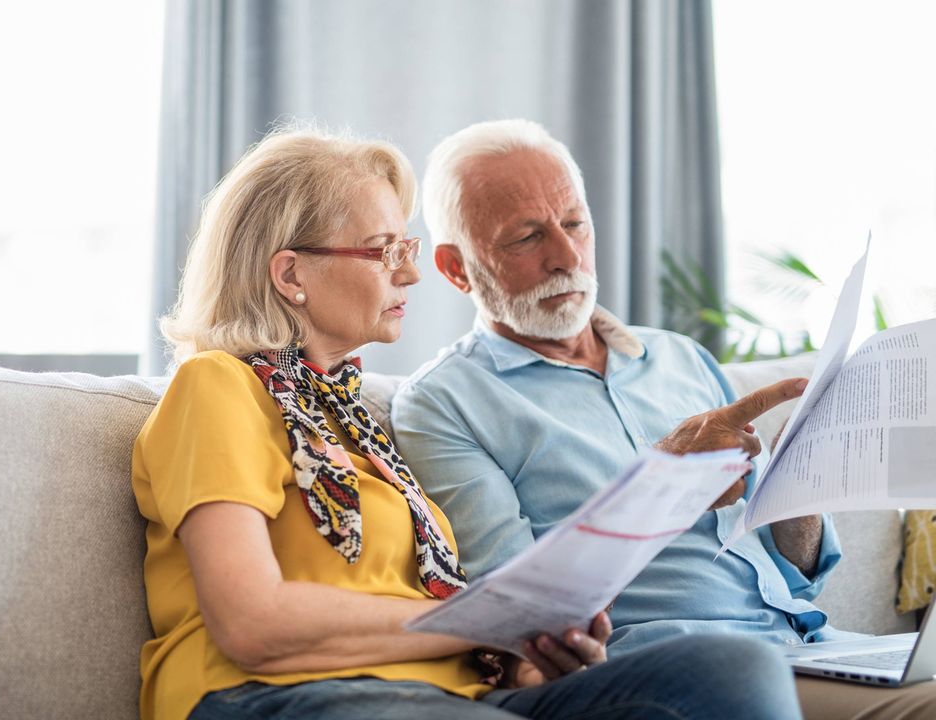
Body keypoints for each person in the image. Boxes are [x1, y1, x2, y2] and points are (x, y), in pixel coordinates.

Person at [132, 126, 803, 720]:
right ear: (291, 274)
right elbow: (251, 622)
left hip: (456, 695)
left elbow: (431, 615)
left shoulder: (358, 429)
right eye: (382, 250)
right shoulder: (219, 386)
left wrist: (533, 653)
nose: (410, 273)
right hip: (274, 693)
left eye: (407, 246)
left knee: (730, 669)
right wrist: (491, 621)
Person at [392, 118, 936, 719]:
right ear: (455, 268)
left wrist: (802, 486)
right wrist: (662, 484)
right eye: (526, 237)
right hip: (673, 667)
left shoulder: (679, 357)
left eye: (575, 223)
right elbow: (519, 611)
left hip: (812, 647)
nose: (566, 256)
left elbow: (800, 580)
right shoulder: (443, 402)